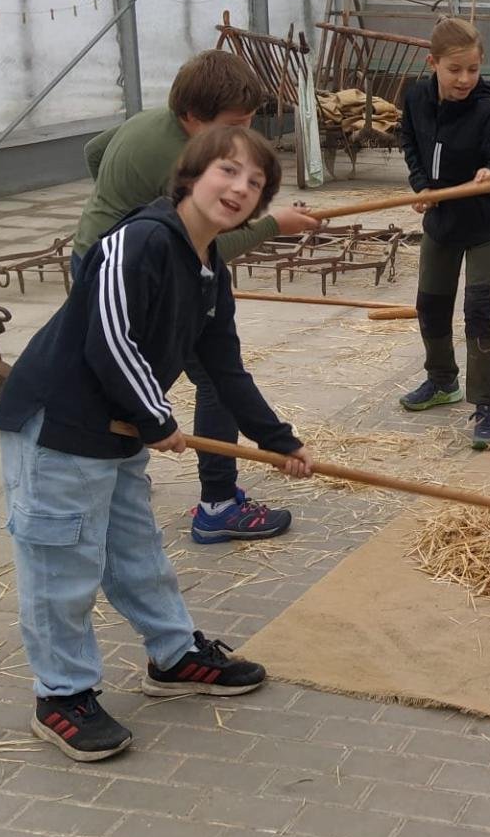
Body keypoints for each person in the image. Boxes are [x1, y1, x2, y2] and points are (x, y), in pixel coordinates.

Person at [0, 124, 315, 762]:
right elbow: (109, 336)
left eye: (255, 183)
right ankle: (61, 696)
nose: (240, 188)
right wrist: (156, 416)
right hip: (62, 426)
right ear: (191, 175)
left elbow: (224, 368)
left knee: (137, 551)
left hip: (118, 432)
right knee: (62, 565)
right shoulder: (139, 240)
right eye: (228, 171)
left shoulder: (209, 269)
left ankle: (174, 657)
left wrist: (279, 441)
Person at [73, 52, 318, 544]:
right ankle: (217, 505)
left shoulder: (150, 122)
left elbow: (95, 151)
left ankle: (117, 483)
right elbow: (208, 242)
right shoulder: (179, 168)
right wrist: (273, 225)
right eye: (234, 125)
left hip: (97, 254)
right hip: (132, 272)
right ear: (191, 117)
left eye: (250, 122)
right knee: (201, 378)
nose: (245, 135)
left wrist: (118, 200)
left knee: (184, 370)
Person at [397, 17, 490, 450]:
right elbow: (409, 142)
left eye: (473, 68)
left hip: (484, 226)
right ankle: (441, 380)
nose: (465, 79)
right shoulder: (416, 99)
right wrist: (421, 186)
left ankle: (486, 406)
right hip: (441, 222)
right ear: (432, 63)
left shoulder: (488, 115)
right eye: (455, 70)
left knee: (478, 308)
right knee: (430, 303)